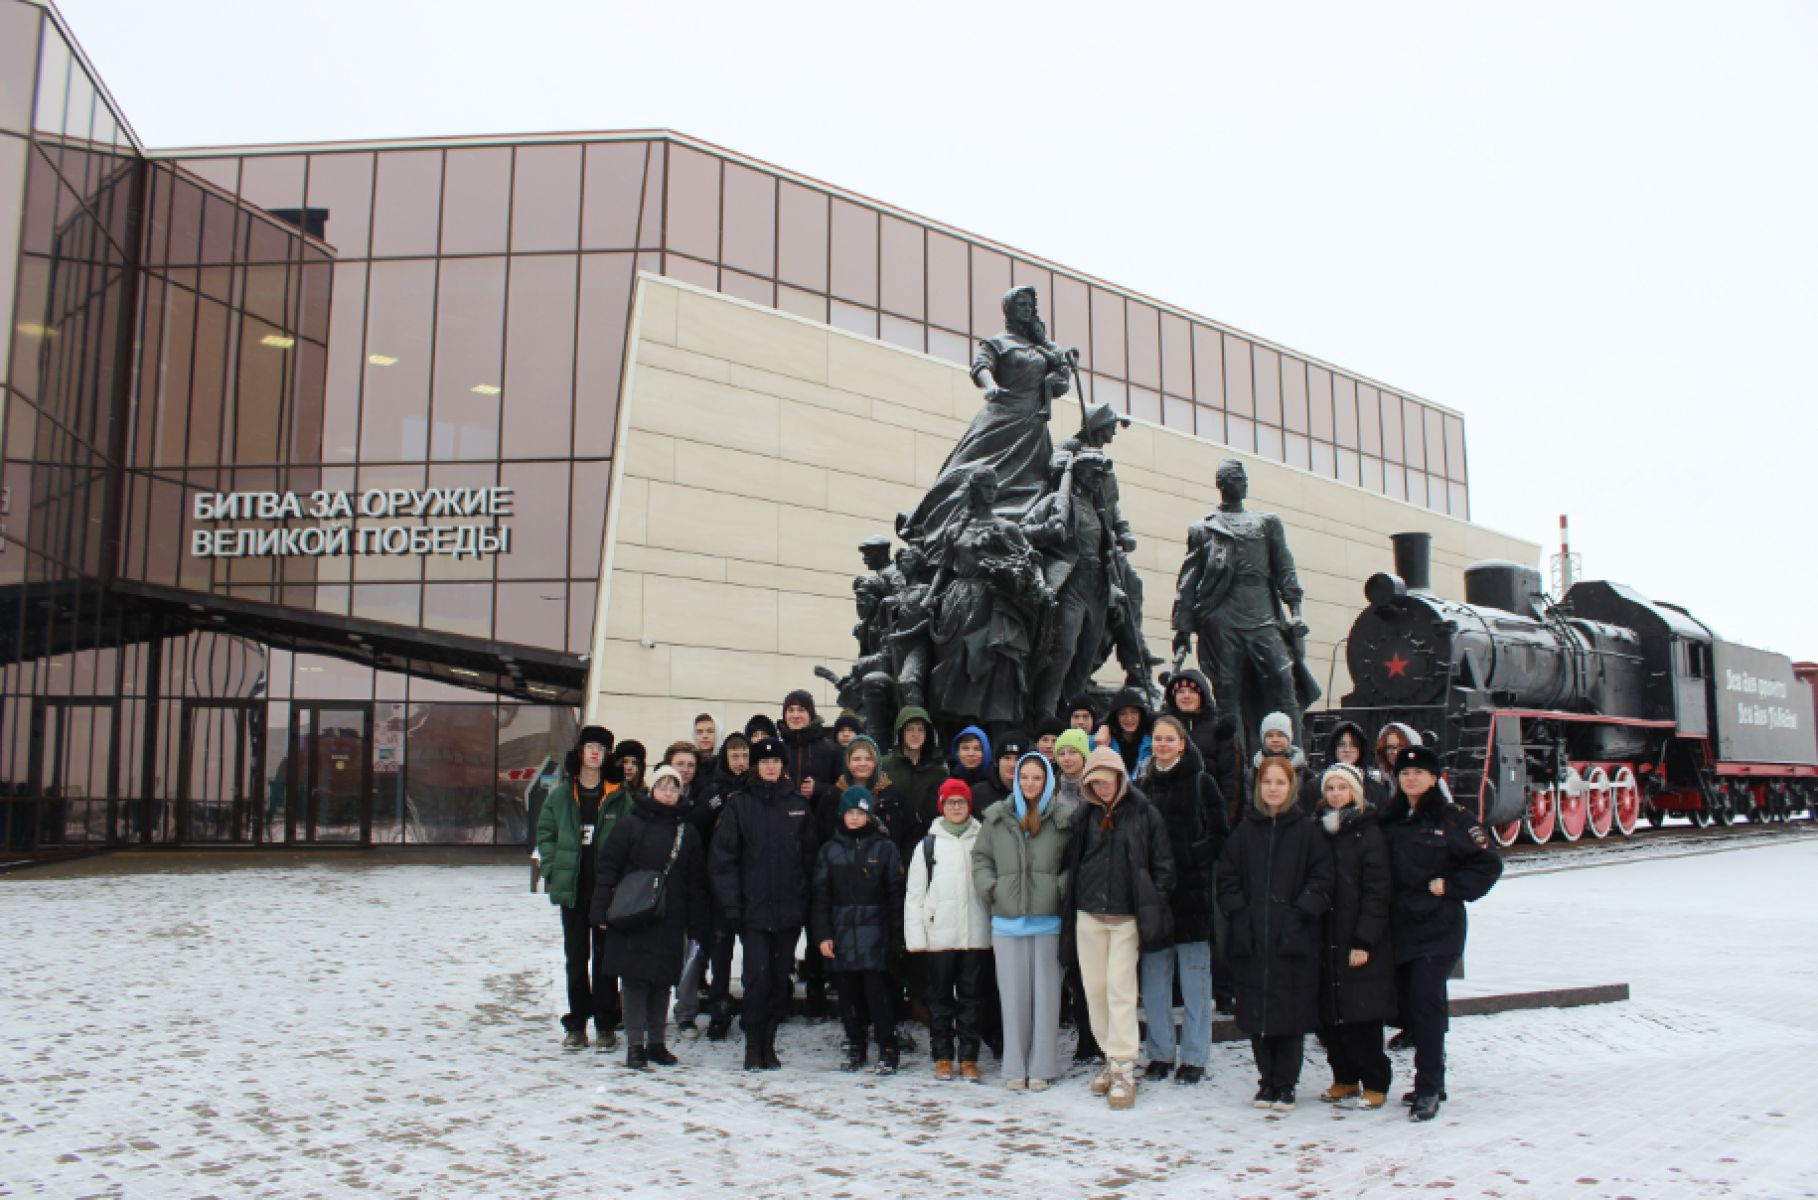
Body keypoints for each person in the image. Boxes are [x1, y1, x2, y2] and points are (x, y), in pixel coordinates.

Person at [1382, 744, 1503, 1121]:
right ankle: (1434, 1077)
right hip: (1399, 927)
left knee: (1426, 1001)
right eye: (1404, 773)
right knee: (1411, 1006)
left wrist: (1451, 886)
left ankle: (1429, 1086)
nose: (1411, 778)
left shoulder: (1454, 820)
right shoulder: (1390, 819)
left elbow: (1488, 864)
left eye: (1419, 773)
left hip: (1438, 928)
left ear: (1434, 778)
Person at [1217, 755, 1334, 1113]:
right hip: (1253, 937)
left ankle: (1286, 1083)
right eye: (1267, 782)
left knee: (1290, 1015)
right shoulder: (1245, 831)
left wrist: (1300, 913)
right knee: (1257, 1016)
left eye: (1279, 783)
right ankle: (1266, 1079)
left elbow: (1321, 879)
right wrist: (1239, 911)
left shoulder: (1306, 832)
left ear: (1291, 787)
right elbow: (1227, 876)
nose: (1272, 789)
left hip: (1292, 936)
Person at [1065, 747, 1174, 1110]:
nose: (1102, 785)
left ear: (1118, 777)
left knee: (1120, 990)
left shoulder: (1145, 813)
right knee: (1095, 991)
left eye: (1107, 778)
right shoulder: (1084, 816)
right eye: (1094, 780)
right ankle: (1110, 1057)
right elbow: (1074, 862)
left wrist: (1153, 899)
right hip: (1089, 914)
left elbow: (1162, 864)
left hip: (1126, 916)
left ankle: (1124, 1065)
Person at [590, 765, 711, 1070]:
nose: (669, 794)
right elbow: (608, 867)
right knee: (634, 982)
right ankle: (635, 1046)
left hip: (671, 916)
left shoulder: (688, 831)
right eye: (663, 787)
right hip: (634, 914)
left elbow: (696, 881)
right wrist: (600, 907)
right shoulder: (631, 825)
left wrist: (697, 921)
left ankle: (657, 1043)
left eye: (674, 788)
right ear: (652, 789)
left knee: (662, 982)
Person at [709, 735, 817, 1071]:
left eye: (776, 762)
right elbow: (723, 859)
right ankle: (753, 1045)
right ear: (756, 766)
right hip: (753, 911)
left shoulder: (797, 804)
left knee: (777, 980)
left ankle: (769, 1044)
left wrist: (805, 902)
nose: (771, 767)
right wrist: (732, 905)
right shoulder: (740, 804)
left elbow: (810, 859)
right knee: (756, 979)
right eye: (765, 762)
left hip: (788, 911)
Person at [973, 751, 1075, 1092]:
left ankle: (1043, 1066)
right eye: (1024, 777)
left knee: (1047, 999)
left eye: (1037, 778)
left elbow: (1073, 863)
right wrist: (993, 888)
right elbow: (981, 858)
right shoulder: (998, 818)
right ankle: (1015, 1065)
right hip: (1008, 921)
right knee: (1013, 998)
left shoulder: (1063, 819)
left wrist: (1059, 888)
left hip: (1047, 921)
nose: (1030, 784)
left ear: (1047, 781)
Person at [1135, 715, 1226, 1085]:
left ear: (1182, 743)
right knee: (1155, 983)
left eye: (1169, 739)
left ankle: (1194, 1055)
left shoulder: (1202, 782)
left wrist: (1192, 858)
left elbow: (1221, 834)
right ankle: (1159, 1053)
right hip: (1155, 898)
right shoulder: (1142, 786)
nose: (1163, 745)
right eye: (1157, 739)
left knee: (1194, 982)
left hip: (1191, 897)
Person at [533, 725, 630, 1051]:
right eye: (589, 746)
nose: (594, 753)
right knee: (576, 959)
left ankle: (605, 1024)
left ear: (607, 756)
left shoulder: (618, 795)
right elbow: (545, 834)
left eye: (601, 748)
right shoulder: (562, 794)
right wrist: (551, 868)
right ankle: (576, 1024)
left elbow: (630, 840)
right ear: (579, 752)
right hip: (573, 892)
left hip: (605, 893)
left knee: (605, 962)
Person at [1313, 761, 1397, 1107]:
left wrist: (1365, 939)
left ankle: (1374, 1080)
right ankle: (1344, 1077)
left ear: (1355, 793)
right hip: (1326, 935)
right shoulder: (1319, 830)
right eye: (1330, 789)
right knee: (1331, 1017)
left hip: (1355, 936)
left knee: (1361, 1016)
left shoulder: (1369, 833)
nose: (1335, 795)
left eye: (1342, 788)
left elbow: (1377, 891)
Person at [813, 787, 907, 1074]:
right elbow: (821, 896)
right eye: (850, 813)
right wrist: (823, 934)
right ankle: (856, 1044)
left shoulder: (884, 848)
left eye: (860, 813)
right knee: (848, 996)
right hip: (842, 933)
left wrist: (895, 935)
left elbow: (895, 894)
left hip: (875, 934)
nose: (855, 818)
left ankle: (887, 1048)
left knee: (878, 996)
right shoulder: (829, 850)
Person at [905, 779, 993, 1082]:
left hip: (974, 932)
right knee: (940, 998)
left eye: (962, 802)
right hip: (939, 934)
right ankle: (942, 1055)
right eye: (951, 802)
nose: (956, 808)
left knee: (972, 998)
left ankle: (969, 1056)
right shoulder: (928, 845)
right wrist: (916, 937)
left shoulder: (983, 840)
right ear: (942, 806)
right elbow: (915, 894)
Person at [678, 732, 746, 1042]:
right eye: (734, 756)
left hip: (752, 879)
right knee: (720, 949)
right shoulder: (713, 789)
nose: (740, 762)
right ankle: (719, 1004)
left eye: (744, 756)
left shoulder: (758, 788)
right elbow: (696, 822)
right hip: (719, 879)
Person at [1049, 726, 1100, 1064]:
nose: (1067, 758)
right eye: (1062, 753)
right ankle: (1084, 1036)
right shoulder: (1050, 792)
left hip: (1092, 887)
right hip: (1062, 890)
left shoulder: (1095, 792)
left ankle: (1098, 1037)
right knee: (1074, 970)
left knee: (1095, 970)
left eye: (1073, 752)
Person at [879, 706, 948, 862]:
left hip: (929, 842)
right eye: (910, 730)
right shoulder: (884, 766)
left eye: (920, 730)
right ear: (901, 732)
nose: (915, 735)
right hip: (892, 841)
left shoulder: (938, 770)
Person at [1301, 721, 1383, 813]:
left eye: (1353, 745)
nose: (1347, 750)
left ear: (1361, 749)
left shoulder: (1376, 790)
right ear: (1333, 748)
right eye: (1341, 745)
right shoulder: (1313, 788)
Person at [1101, 688, 1153, 778]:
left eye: (1134, 712)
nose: (1129, 718)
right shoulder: (1102, 741)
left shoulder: (1153, 743)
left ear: (1141, 715)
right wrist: (1104, 726)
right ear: (1115, 717)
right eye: (1123, 713)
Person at [973, 734, 1026, 810]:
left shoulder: (1033, 793)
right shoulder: (978, 793)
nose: (1012, 764)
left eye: (1018, 759)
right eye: (1007, 758)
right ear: (997, 762)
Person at [949, 725, 994, 795]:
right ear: (957, 752)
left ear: (986, 752)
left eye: (977, 749)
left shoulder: (995, 782)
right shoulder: (950, 781)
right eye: (965, 748)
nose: (971, 754)